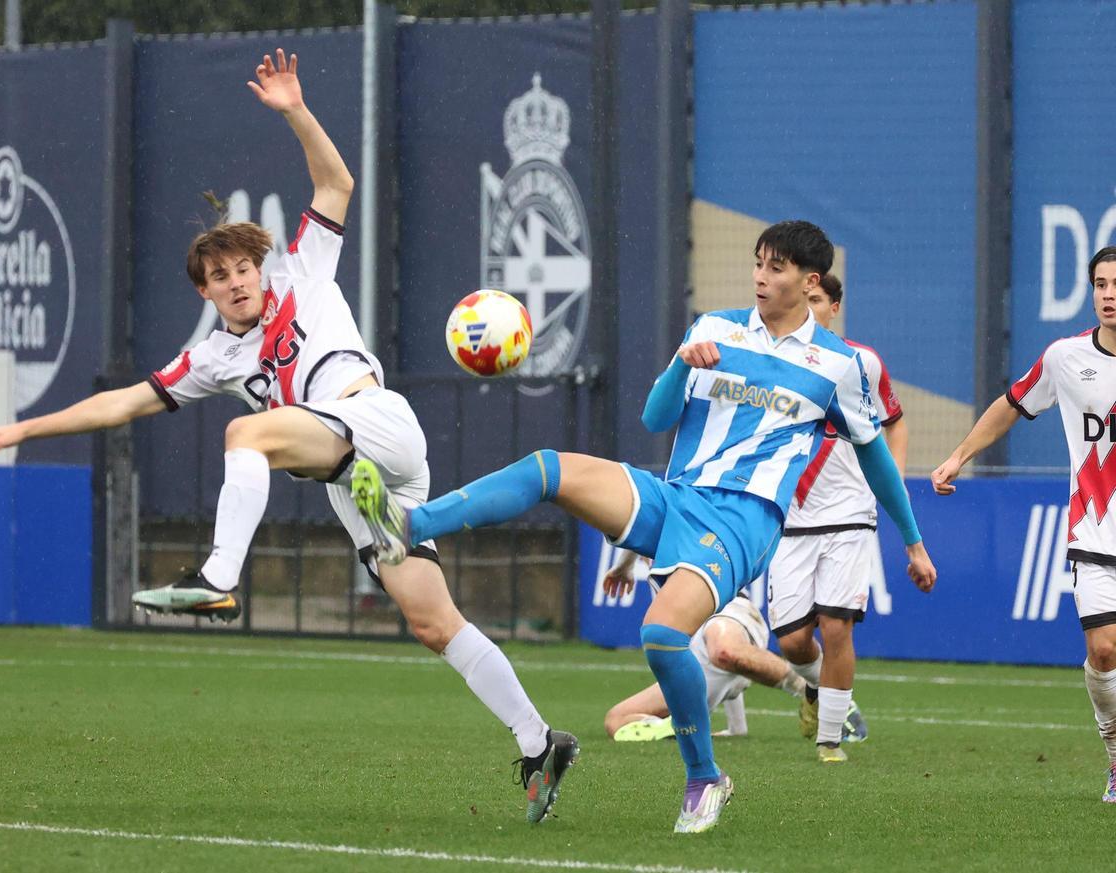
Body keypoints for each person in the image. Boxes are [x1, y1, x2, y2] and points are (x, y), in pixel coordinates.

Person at [0, 48, 577, 825]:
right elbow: (119, 405)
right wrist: (22, 424)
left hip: (376, 424)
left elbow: (336, 185)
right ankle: (537, 737)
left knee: (247, 431)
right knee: (429, 619)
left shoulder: (303, 274)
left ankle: (220, 576)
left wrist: (294, 110)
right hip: (351, 473)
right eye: (219, 277)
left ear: (261, 265)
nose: (237, 282)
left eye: (243, 267)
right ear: (205, 291)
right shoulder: (213, 355)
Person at [351, 220, 938, 834]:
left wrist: (914, 540)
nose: (761, 276)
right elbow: (657, 418)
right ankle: (409, 523)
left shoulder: (840, 366)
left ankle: (704, 776)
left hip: (745, 519)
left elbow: (874, 456)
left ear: (810, 281)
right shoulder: (715, 328)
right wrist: (683, 365)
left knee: (660, 634)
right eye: (758, 263)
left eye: (777, 268)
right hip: (677, 496)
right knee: (549, 468)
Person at [932, 246, 1116, 804]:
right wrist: (959, 455)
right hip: (1093, 530)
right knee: (1105, 652)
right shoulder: (1065, 358)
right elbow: (1012, 404)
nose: (1110, 294)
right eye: (1101, 284)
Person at [768, 274, 907, 763]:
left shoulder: (861, 362)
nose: (807, 308)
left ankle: (831, 739)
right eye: (801, 300)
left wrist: (895, 481)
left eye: (816, 301)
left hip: (850, 513)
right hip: (789, 515)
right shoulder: (775, 358)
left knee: (836, 627)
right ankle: (813, 688)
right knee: (792, 640)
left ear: (834, 307)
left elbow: (893, 421)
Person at [600, 550, 810, 742]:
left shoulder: (696, 519)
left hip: (727, 610)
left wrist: (623, 567)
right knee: (617, 720)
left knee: (724, 649)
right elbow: (633, 530)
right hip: (692, 644)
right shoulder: (652, 528)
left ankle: (815, 690)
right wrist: (624, 567)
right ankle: (679, 727)